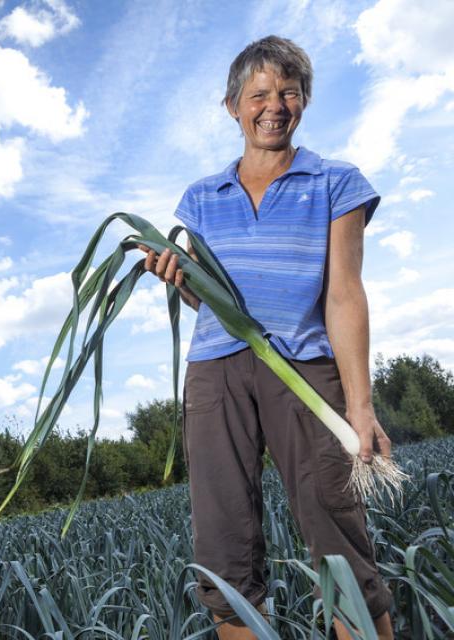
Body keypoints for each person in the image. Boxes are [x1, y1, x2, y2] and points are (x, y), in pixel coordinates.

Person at [141, 36, 394, 639]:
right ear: (233, 106)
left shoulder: (337, 181)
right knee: (224, 545)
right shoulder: (200, 198)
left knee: (338, 531)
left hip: (304, 368)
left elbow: (343, 295)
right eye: (258, 94)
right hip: (216, 372)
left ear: (304, 101)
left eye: (288, 92)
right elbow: (210, 303)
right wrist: (180, 279)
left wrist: (360, 406)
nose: (273, 106)